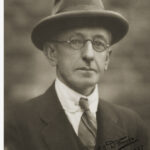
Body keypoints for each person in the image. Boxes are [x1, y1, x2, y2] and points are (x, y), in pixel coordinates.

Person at [5, 0, 150, 150]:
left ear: (107, 58)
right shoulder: (18, 125)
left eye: (99, 43)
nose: (89, 55)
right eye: (75, 41)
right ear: (52, 53)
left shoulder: (132, 126)